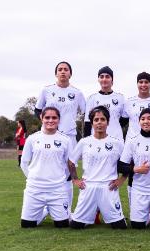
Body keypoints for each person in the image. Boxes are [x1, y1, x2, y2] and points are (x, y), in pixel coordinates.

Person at [34, 61, 86, 215]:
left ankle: (67, 210)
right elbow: (37, 110)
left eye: (66, 69)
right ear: (56, 73)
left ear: (70, 73)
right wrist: (48, 125)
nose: (63, 72)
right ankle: (43, 207)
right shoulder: (46, 90)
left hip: (69, 137)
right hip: (49, 136)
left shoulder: (77, 93)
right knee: (48, 168)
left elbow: (86, 113)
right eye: (60, 69)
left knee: (69, 173)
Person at [68, 106, 127, 229]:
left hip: (108, 187)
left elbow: (128, 163)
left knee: (120, 227)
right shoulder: (84, 142)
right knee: (75, 226)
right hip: (88, 186)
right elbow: (71, 162)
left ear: (108, 122)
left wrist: (121, 180)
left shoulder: (117, 143)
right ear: (92, 122)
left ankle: (101, 213)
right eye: (96, 120)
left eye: (102, 119)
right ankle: (84, 214)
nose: (99, 122)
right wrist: (75, 179)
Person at [19, 107, 73, 228]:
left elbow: (70, 165)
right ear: (41, 118)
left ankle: (54, 209)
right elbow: (24, 163)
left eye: (54, 117)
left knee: (62, 225)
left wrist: (61, 180)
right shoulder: (32, 139)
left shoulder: (66, 140)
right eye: (47, 117)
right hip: (35, 189)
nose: (50, 120)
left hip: (57, 190)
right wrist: (33, 178)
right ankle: (44, 212)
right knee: (27, 226)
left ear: (59, 120)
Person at [123, 71, 150, 218]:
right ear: (137, 84)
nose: (143, 84)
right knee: (133, 174)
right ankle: (136, 209)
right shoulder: (129, 102)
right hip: (134, 144)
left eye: (146, 82)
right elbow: (121, 121)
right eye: (140, 82)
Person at [84, 66, 127, 140]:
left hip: (116, 138)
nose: (104, 79)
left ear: (112, 80)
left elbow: (125, 119)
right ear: (98, 79)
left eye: (107, 77)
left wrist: (113, 126)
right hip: (96, 140)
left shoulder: (120, 98)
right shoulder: (92, 98)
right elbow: (87, 123)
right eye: (101, 77)